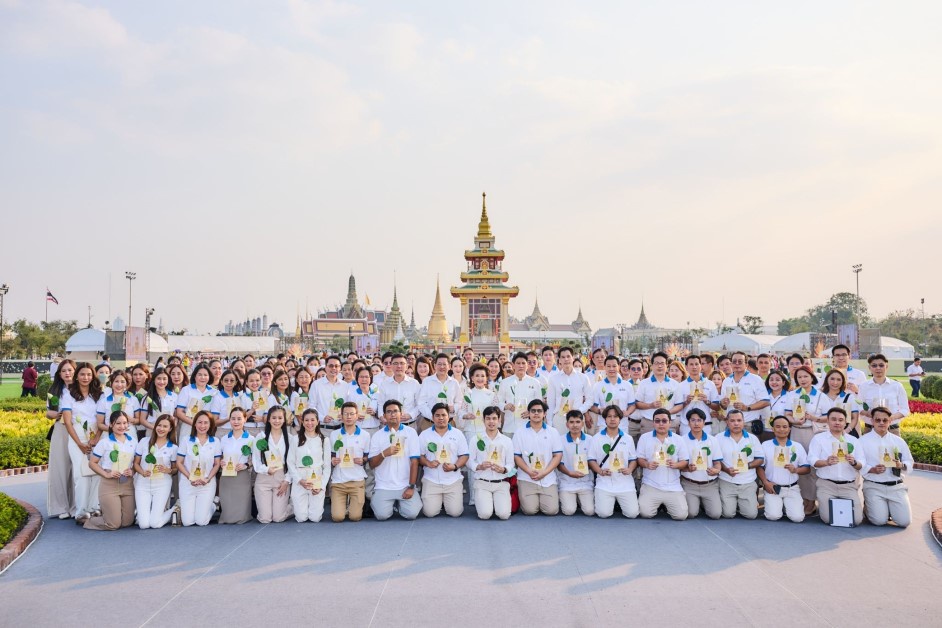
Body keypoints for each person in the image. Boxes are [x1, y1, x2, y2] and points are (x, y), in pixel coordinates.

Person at [62, 362, 104, 522]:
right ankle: (81, 511)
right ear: (77, 376)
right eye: (82, 374)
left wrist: (97, 437)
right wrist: (79, 443)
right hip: (77, 437)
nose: (85, 377)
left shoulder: (99, 394)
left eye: (88, 374)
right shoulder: (69, 395)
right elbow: (67, 421)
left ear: (93, 376)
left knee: (96, 473)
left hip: (96, 437)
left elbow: (102, 418)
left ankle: (94, 508)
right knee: (81, 474)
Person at [808, 408, 865, 525]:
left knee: (856, 520)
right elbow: (811, 460)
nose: (837, 423)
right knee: (829, 519)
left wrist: (854, 462)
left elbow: (862, 463)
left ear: (845, 422)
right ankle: (826, 506)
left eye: (840, 420)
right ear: (827, 421)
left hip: (848, 486)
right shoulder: (819, 439)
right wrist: (825, 462)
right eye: (833, 419)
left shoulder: (854, 441)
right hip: (826, 485)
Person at [368, 400, 422, 521]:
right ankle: (390, 503)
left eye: (395, 411)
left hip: (404, 485)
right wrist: (384, 453)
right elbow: (372, 464)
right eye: (389, 412)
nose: (392, 414)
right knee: (382, 516)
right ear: (384, 416)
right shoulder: (378, 435)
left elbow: (415, 462)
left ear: (401, 413)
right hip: (384, 486)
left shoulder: (411, 433)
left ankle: (399, 504)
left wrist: (411, 486)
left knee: (411, 514)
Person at [860, 407, 914, 527]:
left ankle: (887, 508)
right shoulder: (862, 441)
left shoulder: (899, 441)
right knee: (879, 521)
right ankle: (870, 507)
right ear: (872, 421)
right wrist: (871, 469)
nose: (881, 423)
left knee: (904, 522)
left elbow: (909, 462)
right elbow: (859, 463)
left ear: (890, 421)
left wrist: (901, 465)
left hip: (896, 486)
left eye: (885, 420)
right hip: (874, 485)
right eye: (878, 420)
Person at [83, 411, 137, 530]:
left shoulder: (133, 441)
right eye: (118, 423)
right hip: (109, 485)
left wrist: (132, 471)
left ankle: (108, 514)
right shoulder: (104, 442)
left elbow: (137, 463)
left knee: (127, 522)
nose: (122, 426)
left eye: (125, 423)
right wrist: (106, 474)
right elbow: (92, 463)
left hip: (127, 484)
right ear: (111, 425)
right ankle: (88, 520)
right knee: (114, 524)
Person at [635, 408, 689, 520]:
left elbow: (685, 461)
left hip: (673, 486)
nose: (661, 424)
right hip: (651, 485)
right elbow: (639, 459)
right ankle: (659, 504)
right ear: (653, 422)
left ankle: (665, 505)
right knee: (646, 514)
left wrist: (676, 465)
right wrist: (647, 464)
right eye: (657, 421)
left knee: (681, 516)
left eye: (664, 421)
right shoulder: (645, 438)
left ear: (670, 422)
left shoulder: (679, 439)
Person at [513, 399, 563, 516]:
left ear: (544, 414)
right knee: (530, 510)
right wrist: (529, 471)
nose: (536, 413)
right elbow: (517, 457)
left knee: (551, 511)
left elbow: (557, 455)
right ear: (528, 413)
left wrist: (544, 472)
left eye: (539, 411)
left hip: (547, 478)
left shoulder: (553, 432)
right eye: (533, 411)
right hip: (527, 477)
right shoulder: (519, 432)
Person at [419, 403, 469, 518]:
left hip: (452, 480)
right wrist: (428, 463)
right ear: (432, 418)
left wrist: (455, 466)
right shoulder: (424, 435)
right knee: (429, 513)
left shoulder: (457, 434)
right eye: (437, 415)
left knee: (455, 513)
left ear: (449, 416)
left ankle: (444, 500)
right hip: (431, 480)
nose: (441, 418)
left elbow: (464, 455)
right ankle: (438, 501)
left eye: (443, 415)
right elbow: (419, 456)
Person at [589, 405, 639, 519]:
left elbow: (633, 459)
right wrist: (600, 471)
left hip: (624, 483)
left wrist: (630, 469)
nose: (612, 419)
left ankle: (618, 502)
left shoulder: (627, 438)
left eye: (615, 416)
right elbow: (591, 460)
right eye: (609, 416)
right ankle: (611, 502)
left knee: (632, 514)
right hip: (604, 482)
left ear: (620, 419)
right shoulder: (596, 438)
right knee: (603, 513)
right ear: (604, 419)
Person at [757, 416, 810, 523]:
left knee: (797, 518)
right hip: (773, 488)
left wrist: (796, 470)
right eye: (778, 427)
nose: (782, 429)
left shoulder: (797, 446)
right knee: (773, 516)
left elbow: (806, 468)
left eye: (785, 427)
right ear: (773, 429)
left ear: (789, 429)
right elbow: (760, 467)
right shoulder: (765, 445)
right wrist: (765, 482)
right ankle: (778, 505)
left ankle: (786, 506)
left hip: (792, 488)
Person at [466, 406, 514, 520]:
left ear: (499, 420)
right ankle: (487, 502)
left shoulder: (507, 441)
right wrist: (479, 466)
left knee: (504, 515)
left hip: (501, 483)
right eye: (488, 418)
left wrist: (504, 469)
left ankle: (496, 502)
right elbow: (469, 461)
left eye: (494, 418)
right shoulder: (475, 439)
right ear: (483, 420)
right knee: (485, 515)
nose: (491, 422)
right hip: (482, 483)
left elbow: (511, 463)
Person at [176, 411, 222, 527]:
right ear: (194, 424)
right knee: (187, 522)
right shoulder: (186, 440)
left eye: (206, 423)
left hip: (207, 484)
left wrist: (207, 479)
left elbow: (217, 464)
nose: (202, 426)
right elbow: (179, 462)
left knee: (201, 522)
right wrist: (189, 477)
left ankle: (212, 505)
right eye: (199, 422)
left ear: (210, 425)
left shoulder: (215, 442)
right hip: (188, 483)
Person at [717, 409, 764, 519]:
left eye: (739, 420)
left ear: (744, 422)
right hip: (726, 480)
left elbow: (760, 459)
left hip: (747, 482)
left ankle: (740, 503)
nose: (736, 423)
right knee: (728, 514)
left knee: (751, 515)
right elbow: (716, 460)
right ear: (727, 422)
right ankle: (734, 503)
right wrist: (726, 470)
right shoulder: (718, 438)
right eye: (732, 420)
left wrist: (747, 466)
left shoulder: (752, 438)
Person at [133, 414, 177, 529]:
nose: (161, 429)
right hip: (143, 484)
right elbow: (136, 464)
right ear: (155, 426)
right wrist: (142, 472)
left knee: (155, 524)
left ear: (170, 429)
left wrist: (168, 470)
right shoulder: (144, 441)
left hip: (162, 484)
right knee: (143, 525)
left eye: (165, 426)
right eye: (159, 425)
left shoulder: (173, 447)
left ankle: (175, 509)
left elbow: (175, 469)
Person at [329, 402, 372, 522]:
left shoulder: (365, 435)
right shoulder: (334, 434)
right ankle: (342, 507)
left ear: (357, 416)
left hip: (357, 481)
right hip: (339, 482)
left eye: (352, 414)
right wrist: (333, 460)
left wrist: (362, 460)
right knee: (337, 517)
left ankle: (351, 506)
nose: (348, 417)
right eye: (346, 414)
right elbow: (331, 456)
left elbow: (367, 457)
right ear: (341, 416)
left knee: (355, 517)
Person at [288, 408, 331, 523]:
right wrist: (299, 480)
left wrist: (321, 485)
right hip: (300, 478)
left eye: (313, 420)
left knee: (315, 518)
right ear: (302, 422)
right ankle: (293, 505)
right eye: (306, 420)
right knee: (301, 518)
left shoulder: (324, 440)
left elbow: (327, 466)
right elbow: (290, 462)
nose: (309, 423)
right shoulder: (295, 439)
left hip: (316, 477)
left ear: (318, 421)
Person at [46, 358, 76, 519]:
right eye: (64, 371)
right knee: (60, 468)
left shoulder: (80, 389)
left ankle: (76, 505)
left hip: (78, 431)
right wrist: (55, 414)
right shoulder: (55, 390)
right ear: (59, 373)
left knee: (77, 468)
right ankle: (61, 506)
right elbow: (48, 412)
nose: (67, 373)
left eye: (70, 370)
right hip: (61, 430)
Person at [681, 408, 723, 520]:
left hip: (709, 484)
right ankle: (697, 503)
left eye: (699, 420)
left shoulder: (712, 440)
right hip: (689, 484)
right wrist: (687, 468)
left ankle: (704, 503)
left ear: (704, 423)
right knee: (690, 514)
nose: (696, 423)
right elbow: (679, 465)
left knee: (716, 514)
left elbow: (717, 463)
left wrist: (716, 470)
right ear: (688, 423)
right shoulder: (682, 440)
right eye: (693, 420)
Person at [717, 351, 770, 439]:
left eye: (740, 361)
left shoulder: (755, 379)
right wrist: (723, 403)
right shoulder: (726, 381)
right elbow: (723, 406)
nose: (737, 364)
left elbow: (766, 401)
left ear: (746, 364)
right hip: (731, 425)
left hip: (749, 424)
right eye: (734, 361)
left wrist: (747, 407)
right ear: (731, 364)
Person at [218, 407, 254, 524]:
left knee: (241, 517)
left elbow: (256, 459)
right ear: (229, 420)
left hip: (241, 476)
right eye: (233, 419)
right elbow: (218, 458)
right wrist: (221, 463)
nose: (236, 422)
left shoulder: (251, 439)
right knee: (227, 518)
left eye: (239, 418)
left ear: (245, 419)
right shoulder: (223, 439)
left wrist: (246, 465)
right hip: (226, 476)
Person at [858, 354, 909, 435]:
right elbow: (858, 407)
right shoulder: (864, 386)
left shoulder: (897, 386)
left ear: (886, 366)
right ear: (869, 368)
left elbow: (905, 410)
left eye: (881, 365)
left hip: (892, 429)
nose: (878, 368)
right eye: (874, 365)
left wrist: (890, 418)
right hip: (870, 430)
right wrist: (868, 413)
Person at [634, 352, 683, 437]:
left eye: (662, 363)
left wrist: (667, 413)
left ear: (667, 366)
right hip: (649, 423)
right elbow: (637, 403)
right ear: (652, 366)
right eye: (656, 363)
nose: (659, 366)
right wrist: (650, 405)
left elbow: (679, 405)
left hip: (669, 423)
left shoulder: (674, 384)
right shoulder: (644, 383)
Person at [557, 411, 595, 516]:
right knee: (569, 511)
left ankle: (580, 500)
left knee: (589, 511)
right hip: (567, 482)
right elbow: (559, 464)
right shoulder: (560, 440)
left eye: (578, 422)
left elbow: (594, 461)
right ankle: (570, 500)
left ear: (582, 424)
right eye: (571, 422)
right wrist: (569, 473)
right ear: (567, 424)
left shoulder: (591, 440)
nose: (575, 425)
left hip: (586, 482)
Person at [588, 355, 636, 437]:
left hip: (622, 426)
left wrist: (627, 412)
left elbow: (632, 405)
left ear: (618, 367)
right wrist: (600, 411)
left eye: (614, 366)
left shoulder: (627, 385)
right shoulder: (598, 386)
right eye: (608, 366)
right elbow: (592, 406)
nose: (611, 369)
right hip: (604, 426)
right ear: (605, 367)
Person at [497, 352, 543, 438]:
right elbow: (499, 402)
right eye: (518, 363)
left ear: (527, 365)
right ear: (513, 365)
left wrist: (530, 412)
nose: (521, 366)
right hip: (509, 427)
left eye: (523, 363)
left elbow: (539, 404)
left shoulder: (535, 383)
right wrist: (506, 406)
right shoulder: (505, 382)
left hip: (529, 426)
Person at [547, 347, 592, 433]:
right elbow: (551, 403)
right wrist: (550, 423)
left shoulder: (583, 377)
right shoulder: (553, 379)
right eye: (563, 357)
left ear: (573, 358)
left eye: (568, 356)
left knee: (577, 445)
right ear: (559, 360)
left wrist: (580, 410)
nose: (566, 359)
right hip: (559, 419)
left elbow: (590, 399)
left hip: (577, 419)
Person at [376, 354, 421, 430]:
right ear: (391, 366)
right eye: (395, 363)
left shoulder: (414, 383)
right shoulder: (384, 384)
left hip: (409, 425)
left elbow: (420, 404)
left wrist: (410, 415)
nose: (399, 366)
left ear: (406, 366)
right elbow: (380, 403)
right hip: (389, 426)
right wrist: (381, 417)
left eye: (402, 363)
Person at [174, 363, 216, 444]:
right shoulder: (186, 390)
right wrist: (195, 424)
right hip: (188, 427)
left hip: (206, 428)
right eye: (199, 374)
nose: (202, 377)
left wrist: (203, 425)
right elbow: (179, 412)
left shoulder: (214, 392)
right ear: (195, 376)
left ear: (209, 376)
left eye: (205, 375)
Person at [418, 353, 460, 434]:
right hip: (429, 423)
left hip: (449, 424)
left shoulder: (454, 383)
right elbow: (421, 403)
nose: (442, 367)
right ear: (434, 366)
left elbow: (459, 401)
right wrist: (434, 417)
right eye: (439, 364)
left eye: (444, 364)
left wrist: (454, 408)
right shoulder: (427, 381)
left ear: (449, 366)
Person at [674, 355, 713, 437]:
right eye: (691, 364)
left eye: (696, 364)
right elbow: (677, 407)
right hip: (686, 426)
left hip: (706, 425)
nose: (694, 367)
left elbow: (717, 406)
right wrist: (686, 402)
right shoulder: (680, 386)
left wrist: (707, 401)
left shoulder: (710, 384)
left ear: (700, 366)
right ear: (686, 367)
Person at [96, 370, 141, 441]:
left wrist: (131, 419)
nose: (119, 385)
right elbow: (100, 424)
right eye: (116, 381)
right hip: (109, 436)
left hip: (129, 435)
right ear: (111, 383)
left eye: (122, 382)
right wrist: (113, 429)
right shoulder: (104, 401)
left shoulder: (133, 399)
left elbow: (138, 420)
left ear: (127, 384)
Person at [138, 369, 178, 440]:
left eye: (164, 379)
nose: (162, 382)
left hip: (169, 433)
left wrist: (170, 428)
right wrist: (156, 428)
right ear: (154, 380)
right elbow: (142, 419)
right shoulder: (147, 398)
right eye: (159, 379)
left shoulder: (174, 396)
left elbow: (176, 416)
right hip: (152, 431)